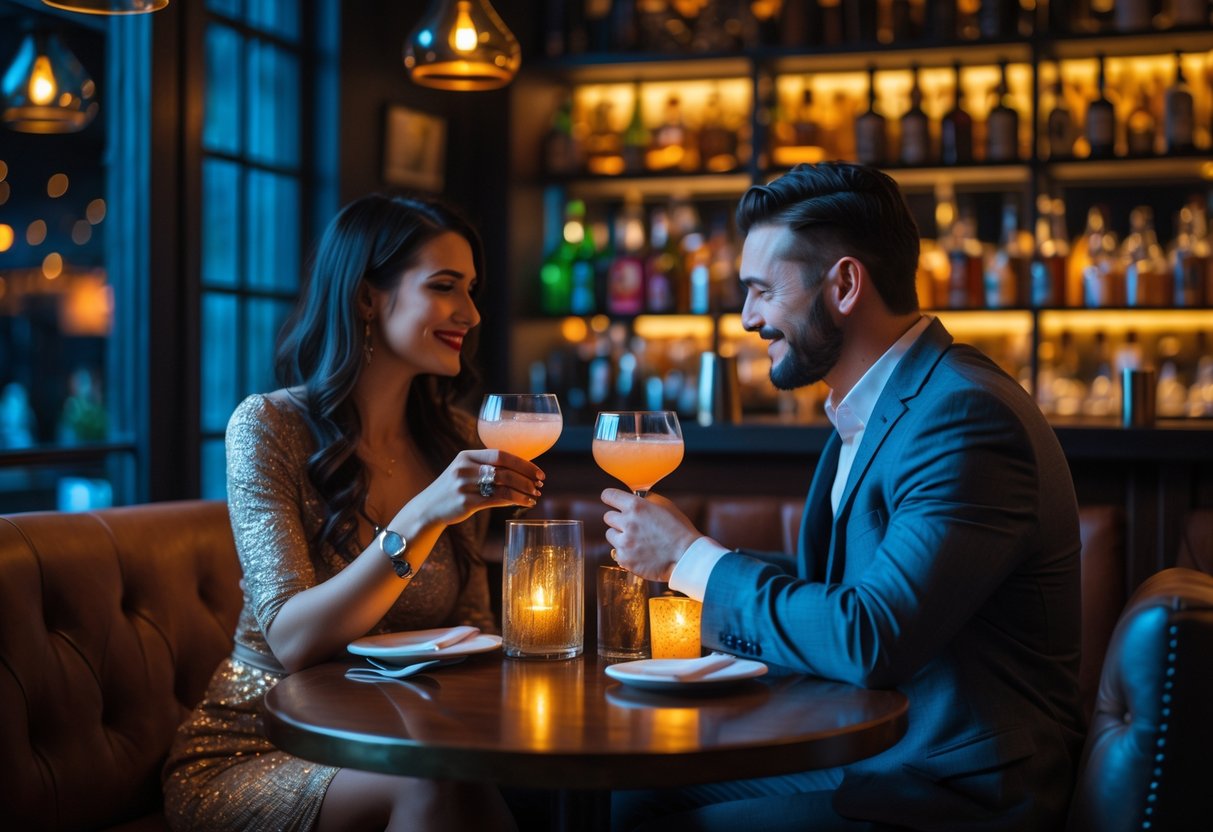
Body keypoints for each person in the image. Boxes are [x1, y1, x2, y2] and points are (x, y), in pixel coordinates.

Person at [604, 163, 1083, 832]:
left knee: (649, 806)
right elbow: (843, 588)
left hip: (956, 784)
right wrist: (682, 573)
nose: (746, 318)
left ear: (846, 284)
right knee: (636, 789)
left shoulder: (963, 417)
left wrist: (691, 560)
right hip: (885, 748)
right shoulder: (883, 404)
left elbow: (870, 635)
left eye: (762, 291)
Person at [163, 194, 543, 832]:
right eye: (445, 287)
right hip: (261, 745)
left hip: (400, 742)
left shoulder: (453, 441)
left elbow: (474, 630)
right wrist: (422, 516)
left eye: (472, 289)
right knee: (435, 790)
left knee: (485, 784)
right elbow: (292, 640)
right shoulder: (268, 427)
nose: (471, 314)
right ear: (367, 298)